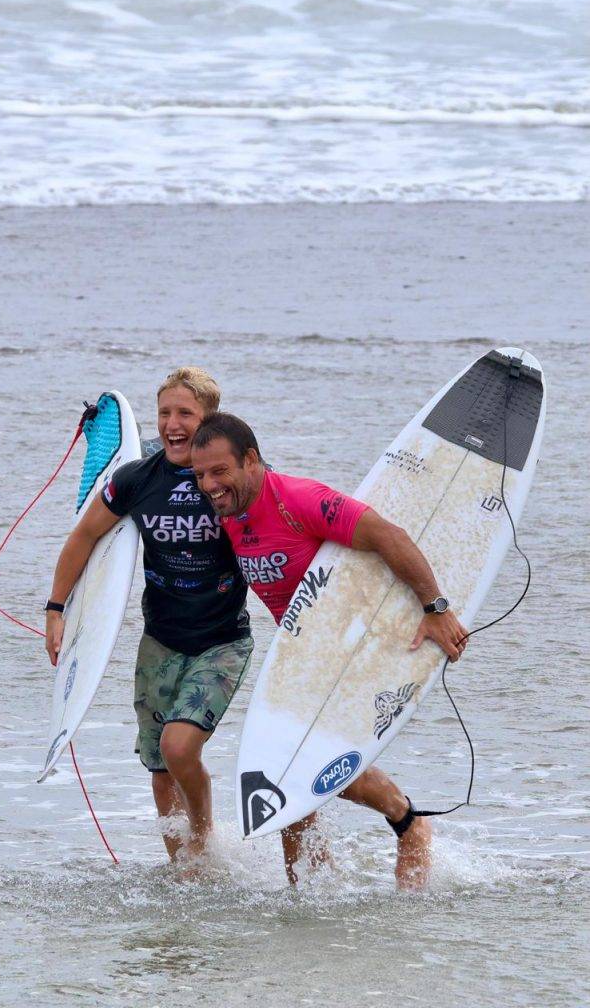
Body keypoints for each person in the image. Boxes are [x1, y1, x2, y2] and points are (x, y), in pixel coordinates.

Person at [191, 412, 470, 890]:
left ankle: (407, 824)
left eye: (220, 471)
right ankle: (313, 885)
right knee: (287, 771)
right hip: (302, 658)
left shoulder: (298, 500)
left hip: (350, 650)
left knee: (294, 766)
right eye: (200, 476)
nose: (209, 485)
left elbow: (388, 536)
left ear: (252, 460)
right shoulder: (233, 514)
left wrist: (435, 607)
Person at [44, 368, 255, 870]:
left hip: (221, 641)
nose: (172, 424)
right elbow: (84, 537)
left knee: (179, 746)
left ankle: (204, 842)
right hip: (161, 641)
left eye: (185, 413)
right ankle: (183, 869)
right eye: (164, 412)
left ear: (210, 420)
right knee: (159, 764)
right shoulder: (137, 480)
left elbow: (275, 541)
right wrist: (56, 609)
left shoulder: (227, 481)